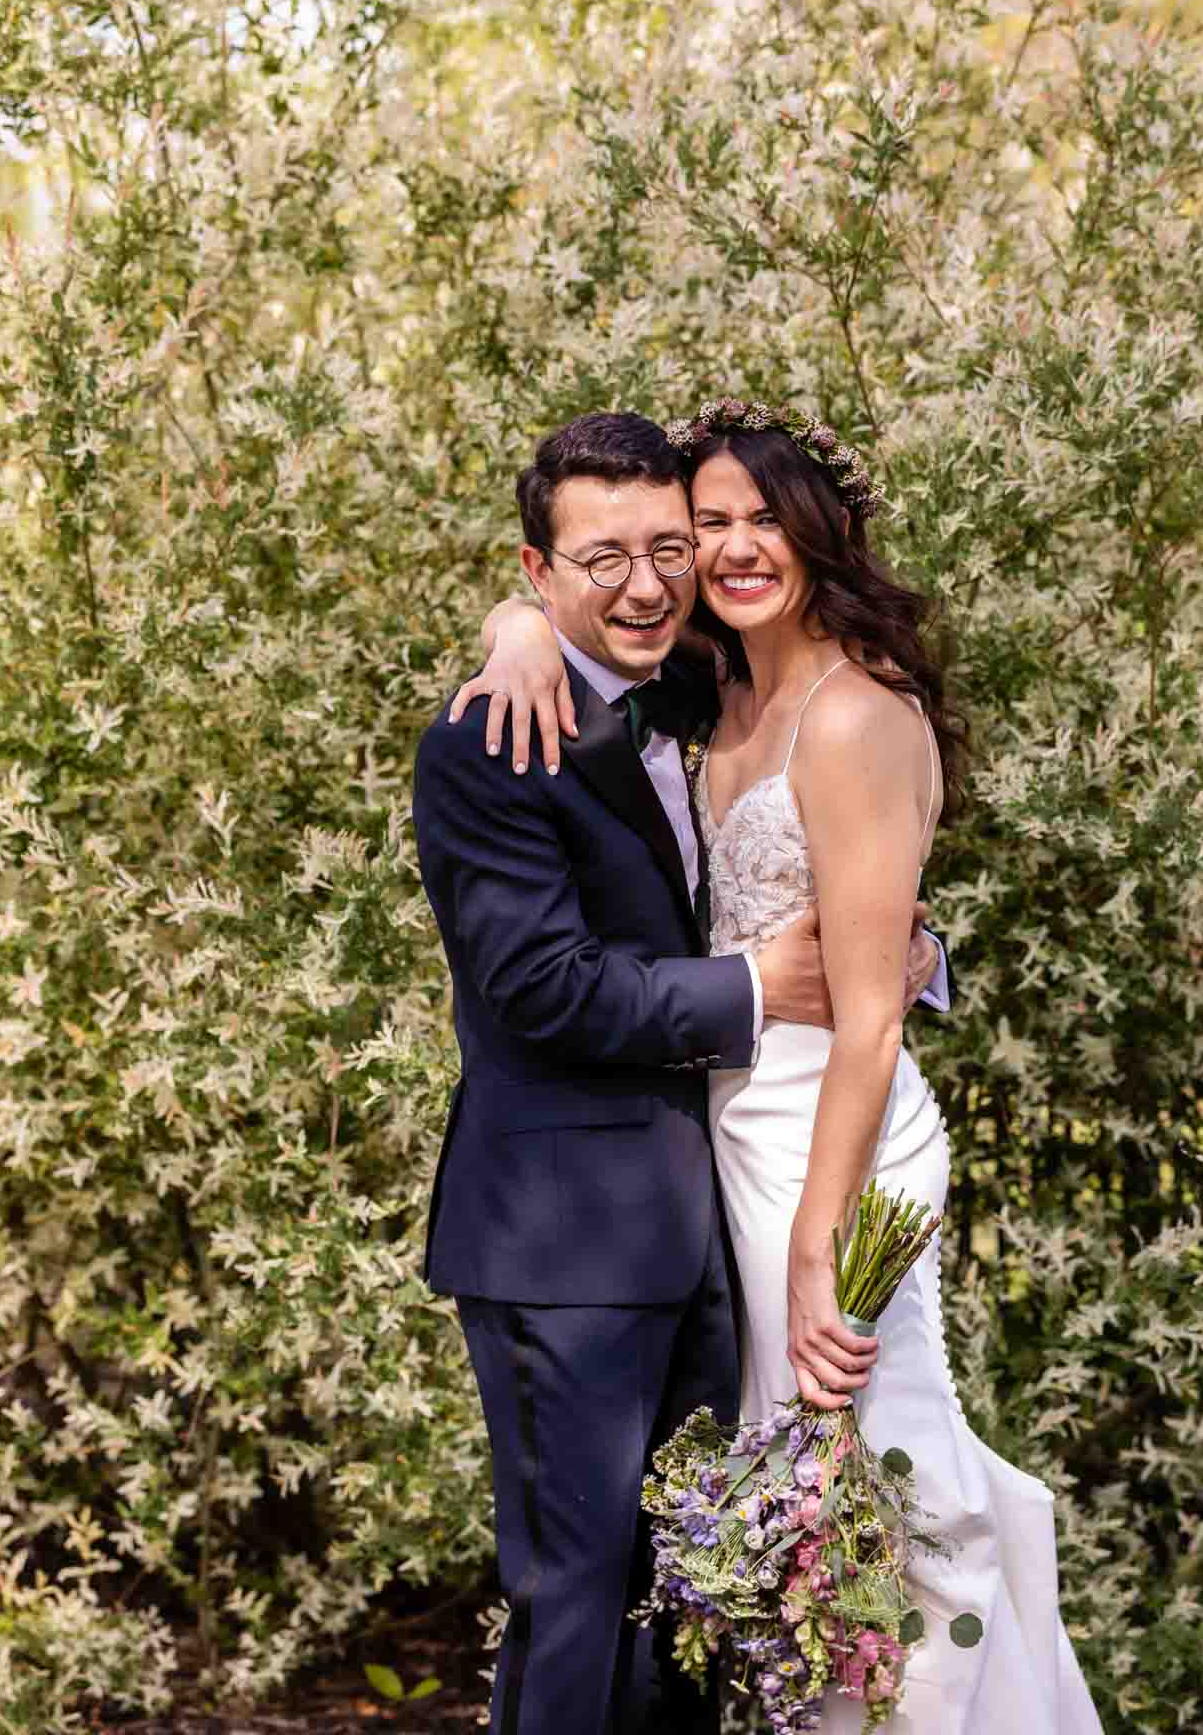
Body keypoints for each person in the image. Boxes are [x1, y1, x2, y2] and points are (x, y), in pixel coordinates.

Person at [463, 399, 1104, 1734]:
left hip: (830, 1136)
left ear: (822, 533)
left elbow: (870, 1015)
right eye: (712, 525)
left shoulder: (854, 717)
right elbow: (577, 624)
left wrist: (820, 1235)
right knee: (788, 1503)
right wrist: (516, 625)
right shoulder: (717, 686)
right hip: (731, 1138)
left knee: (884, 1473)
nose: (732, 549)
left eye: (765, 519)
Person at [412, 412, 941, 1735]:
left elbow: (844, 854)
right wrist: (759, 986)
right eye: (601, 560)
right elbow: (539, 987)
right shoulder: (489, 738)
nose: (648, 581)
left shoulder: (704, 690)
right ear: (538, 572)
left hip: (710, 1208)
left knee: (688, 1590)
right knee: (578, 1597)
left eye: (669, 546)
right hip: (566, 1242)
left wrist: (903, 961)